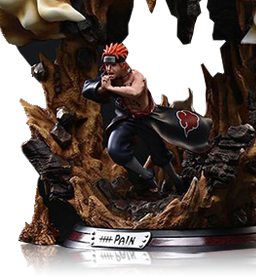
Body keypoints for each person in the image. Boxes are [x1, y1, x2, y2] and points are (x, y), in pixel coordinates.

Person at [81, 43, 213, 192]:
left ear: (123, 64)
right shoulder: (109, 79)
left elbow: (135, 92)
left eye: (113, 65)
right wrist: (101, 88)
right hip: (126, 120)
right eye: (106, 65)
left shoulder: (137, 77)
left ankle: (177, 180)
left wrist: (110, 88)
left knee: (159, 152)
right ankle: (146, 175)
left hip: (147, 118)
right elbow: (87, 89)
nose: (108, 69)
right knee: (115, 149)